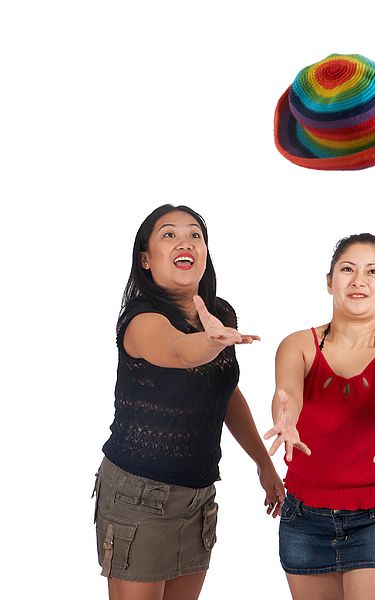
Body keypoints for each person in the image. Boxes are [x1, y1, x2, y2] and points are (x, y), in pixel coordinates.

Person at [93, 204, 285, 600]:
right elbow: (181, 351)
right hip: (138, 494)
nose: (185, 242)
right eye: (169, 234)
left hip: (198, 496)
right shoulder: (140, 320)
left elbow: (225, 394)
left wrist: (264, 463)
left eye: (195, 234)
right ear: (145, 259)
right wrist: (209, 343)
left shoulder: (220, 313)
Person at [263, 233, 375, 600]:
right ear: (329, 281)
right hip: (304, 519)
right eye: (347, 269)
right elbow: (287, 393)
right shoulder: (298, 344)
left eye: (373, 271)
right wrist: (284, 418)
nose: (358, 281)